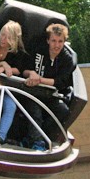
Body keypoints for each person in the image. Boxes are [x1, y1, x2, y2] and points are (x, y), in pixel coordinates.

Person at [22, 23, 76, 151]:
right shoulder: (37, 49)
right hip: (31, 91)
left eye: (60, 41)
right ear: (48, 40)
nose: (56, 45)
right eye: (53, 41)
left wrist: (40, 80)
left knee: (63, 111)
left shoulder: (67, 59)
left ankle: (40, 138)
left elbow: (60, 82)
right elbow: (23, 70)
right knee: (35, 111)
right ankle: (37, 143)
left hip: (51, 94)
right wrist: (31, 73)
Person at [0, 20, 28, 144]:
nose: (3, 39)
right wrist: (2, 63)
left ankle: (0, 138)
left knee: (11, 106)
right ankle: (0, 134)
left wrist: (5, 69)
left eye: (8, 37)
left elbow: (18, 70)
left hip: (6, 88)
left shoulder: (19, 53)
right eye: (2, 35)